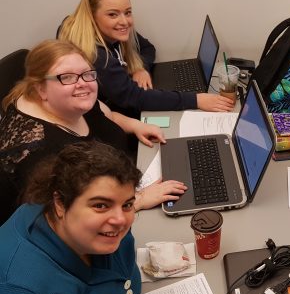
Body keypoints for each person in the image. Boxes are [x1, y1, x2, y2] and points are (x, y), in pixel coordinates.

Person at [0, 141, 158, 294]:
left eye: (127, 204)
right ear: (60, 203)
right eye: (101, 206)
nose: (120, 220)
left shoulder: (87, 229)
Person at [0, 39, 186, 224]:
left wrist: (136, 125)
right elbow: (65, 222)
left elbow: (108, 116)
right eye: (67, 77)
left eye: (87, 74)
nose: (82, 83)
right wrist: (139, 200)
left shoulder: (71, 100)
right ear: (40, 88)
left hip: (123, 179)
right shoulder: (38, 153)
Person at [58, 0, 233, 117]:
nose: (124, 21)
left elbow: (148, 48)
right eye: (112, 14)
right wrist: (196, 100)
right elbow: (135, 97)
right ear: (92, 16)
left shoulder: (112, 33)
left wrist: (139, 68)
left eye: (127, 12)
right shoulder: (95, 56)